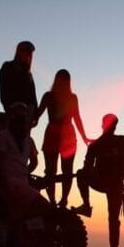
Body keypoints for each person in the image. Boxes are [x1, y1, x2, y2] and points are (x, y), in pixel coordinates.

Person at [0, 102, 48, 247]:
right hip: (7, 185)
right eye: (17, 116)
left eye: (23, 117)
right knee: (22, 222)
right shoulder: (1, 137)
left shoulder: (29, 141)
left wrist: (25, 172)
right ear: (11, 118)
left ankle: (15, 226)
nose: (20, 120)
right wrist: (3, 186)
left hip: (22, 185)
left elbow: (35, 161)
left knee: (42, 209)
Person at [74, 113, 124, 247]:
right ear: (104, 125)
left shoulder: (122, 141)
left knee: (113, 218)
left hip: (116, 185)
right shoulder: (97, 144)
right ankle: (86, 205)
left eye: (113, 125)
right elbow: (87, 166)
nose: (111, 127)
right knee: (81, 173)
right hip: (103, 182)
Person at [34, 69, 91, 208]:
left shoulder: (69, 97)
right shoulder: (50, 96)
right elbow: (38, 114)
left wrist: (84, 136)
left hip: (65, 134)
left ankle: (62, 200)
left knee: (61, 171)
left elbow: (76, 117)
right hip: (57, 134)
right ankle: (54, 201)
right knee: (54, 170)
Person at [0, 41, 38, 122]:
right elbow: (4, 91)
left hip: (27, 113)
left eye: (30, 53)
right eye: (26, 51)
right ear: (19, 52)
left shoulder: (28, 74)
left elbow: (33, 96)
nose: (28, 55)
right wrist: (9, 108)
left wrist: (35, 114)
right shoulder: (7, 67)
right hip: (13, 110)